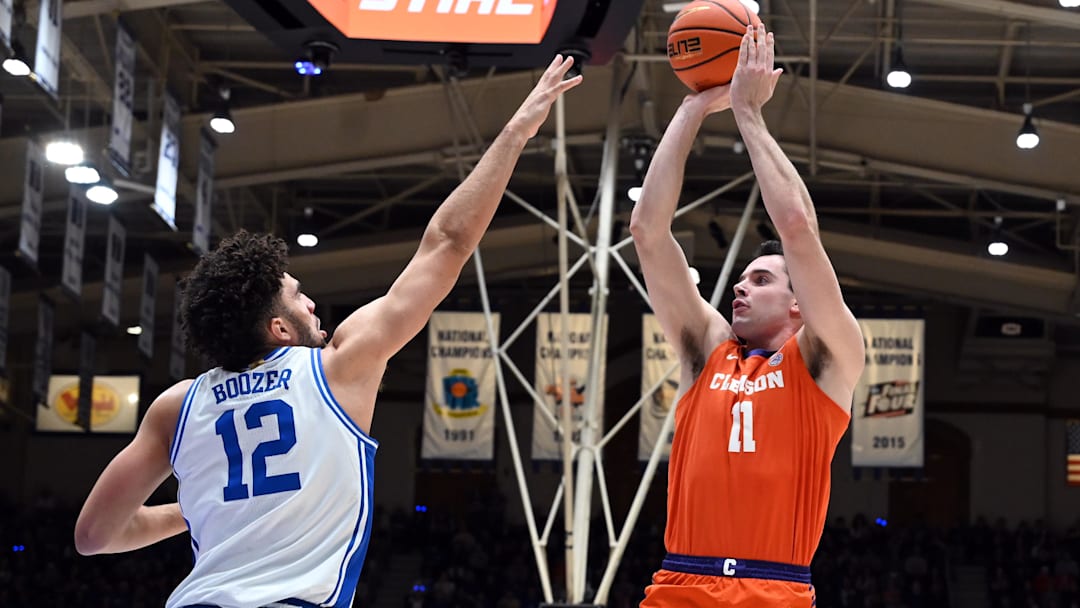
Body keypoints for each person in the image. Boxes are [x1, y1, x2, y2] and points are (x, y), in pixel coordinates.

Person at [74, 55, 582, 608]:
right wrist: (516, 131)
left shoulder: (176, 406)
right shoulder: (339, 365)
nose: (312, 303)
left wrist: (197, 507)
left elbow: (95, 536)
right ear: (277, 328)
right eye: (297, 296)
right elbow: (448, 243)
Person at [630, 24, 865, 607]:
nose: (739, 288)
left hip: (773, 588)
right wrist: (690, 109)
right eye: (740, 280)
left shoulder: (827, 358)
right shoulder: (708, 349)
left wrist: (747, 114)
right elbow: (647, 232)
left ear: (797, 304)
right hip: (679, 583)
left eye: (760, 279)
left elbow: (798, 230)